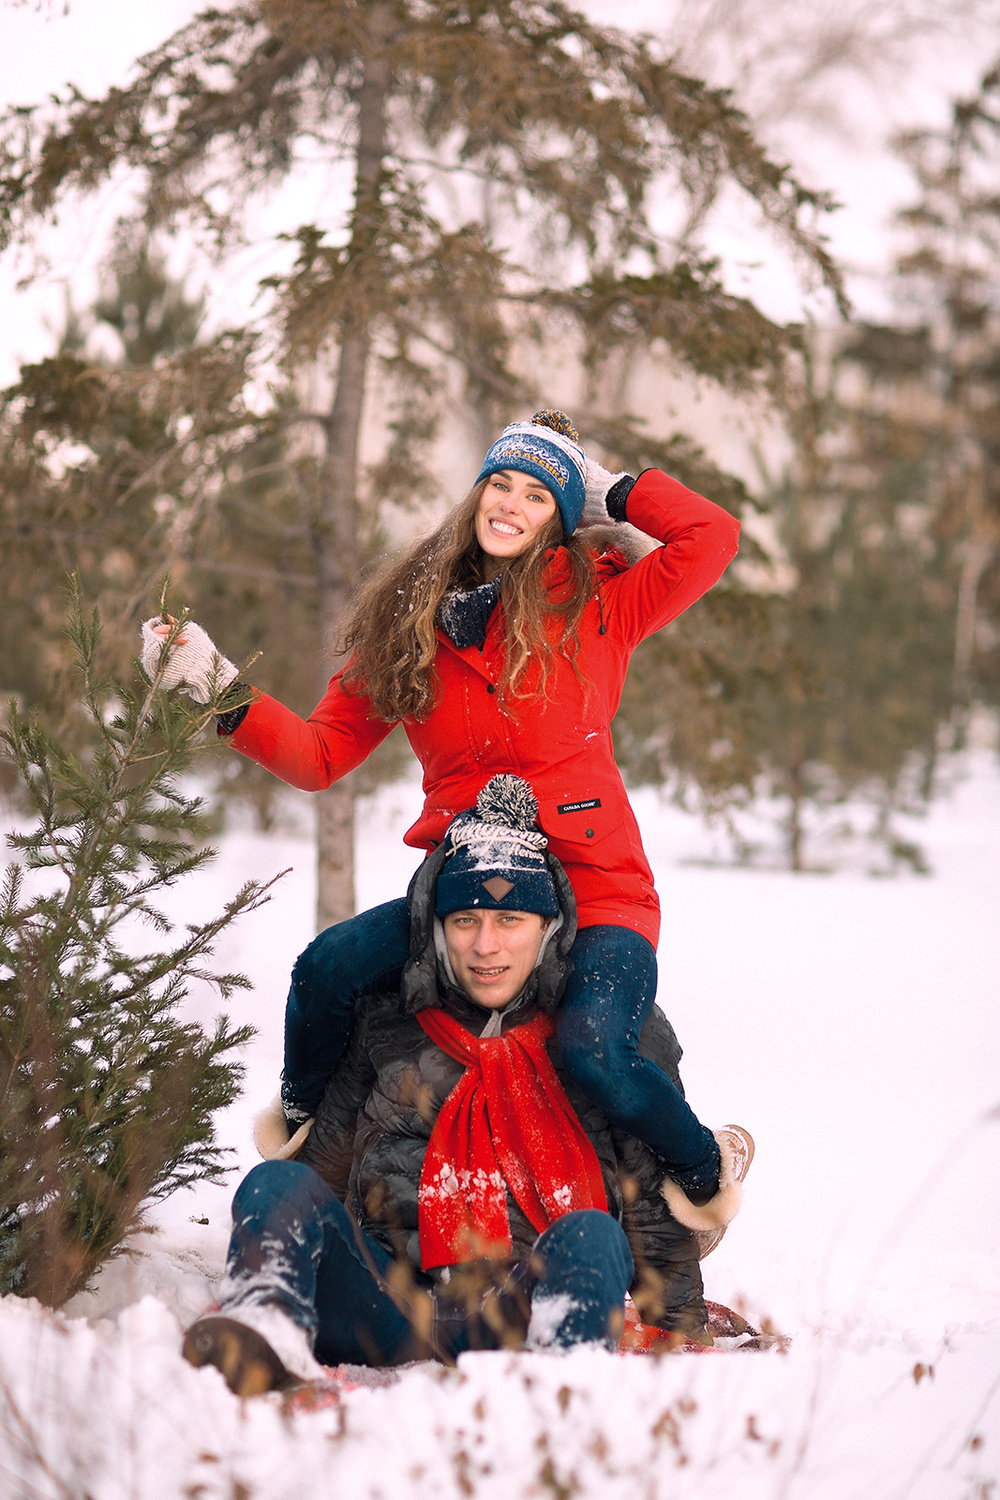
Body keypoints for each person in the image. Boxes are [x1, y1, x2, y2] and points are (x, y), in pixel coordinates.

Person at [143, 409, 745, 1234]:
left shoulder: (604, 605)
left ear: (563, 523)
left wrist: (615, 490)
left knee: (595, 1050)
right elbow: (320, 754)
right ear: (474, 496)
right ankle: (308, 1135)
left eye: (537, 495)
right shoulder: (413, 632)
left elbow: (713, 538)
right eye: (500, 483)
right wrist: (219, 688)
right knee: (327, 968)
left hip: (598, 887)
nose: (510, 504)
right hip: (464, 894)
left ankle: (707, 1166)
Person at [182, 777, 738, 1396]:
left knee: (595, 1235)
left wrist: (681, 1321)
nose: (485, 945)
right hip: (383, 1310)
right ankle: (264, 1326)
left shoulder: (603, 1032)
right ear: (436, 926)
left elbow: (648, 1210)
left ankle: (563, 1378)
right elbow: (322, 1170)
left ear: (550, 927)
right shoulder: (386, 1021)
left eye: (510, 919)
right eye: (464, 919)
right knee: (275, 1184)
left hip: (518, 1311)